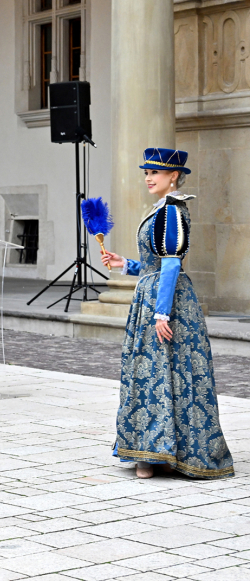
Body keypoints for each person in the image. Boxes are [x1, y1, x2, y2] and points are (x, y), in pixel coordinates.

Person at [101, 148, 233, 480]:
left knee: (162, 372)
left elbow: (172, 263)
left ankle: (159, 454)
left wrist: (162, 313)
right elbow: (153, 265)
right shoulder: (162, 209)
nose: (148, 177)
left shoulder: (172, 210)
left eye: (155, 173)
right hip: (153, 295)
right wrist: (124, 264)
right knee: (152, 372)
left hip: (165, 302)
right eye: (146, 172)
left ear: (173, 176)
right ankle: (151, 452)